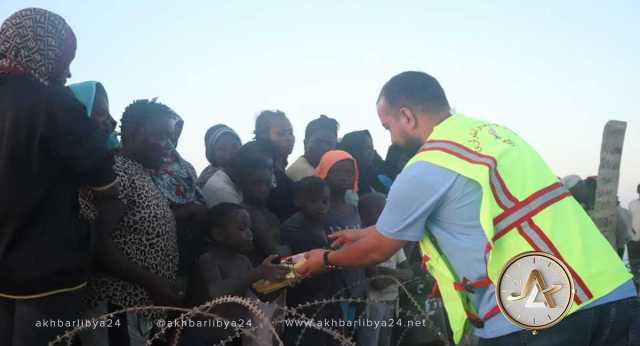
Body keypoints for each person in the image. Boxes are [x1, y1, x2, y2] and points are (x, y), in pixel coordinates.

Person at [298, 71, 638, 346]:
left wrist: (324, 260)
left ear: (406, 116)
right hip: (609, 289)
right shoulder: (499, 136)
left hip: (538, 309)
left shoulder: (427, 164)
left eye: (388, 127)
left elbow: (379, 250)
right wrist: (363, 232)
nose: (390, 139)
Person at [0, 8, 119, 346]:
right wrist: (92, 237)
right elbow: (105, 183)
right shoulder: (54, 102)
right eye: (63, 59)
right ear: (41, 50)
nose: (68, 72)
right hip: (50, 271)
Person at [86, 99, 182, 345]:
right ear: (129, 133)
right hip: (117, 306)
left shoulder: (142, 173)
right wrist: (152, 281)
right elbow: (97, 241)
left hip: (142, 309)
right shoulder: (117, 172)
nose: (168, 145)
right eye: (159, 136)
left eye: (171, 138)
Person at [183, 203, 288, 346]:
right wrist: (257, 272)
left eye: (250, 227)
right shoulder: (209, 260)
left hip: (233, 336)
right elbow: (215, 293)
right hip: (204, 337)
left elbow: (260, 295)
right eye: (242, 228)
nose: (250, 233)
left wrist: (284, 282)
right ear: (218, 234)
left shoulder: (243, 261)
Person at [281, 177, 343, 346]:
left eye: (325, 201)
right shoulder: (292, 228)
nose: (321, 206)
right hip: (304, 299)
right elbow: (288, 267)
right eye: (314, 201)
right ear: (298, 201)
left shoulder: (327, 224)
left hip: (329, 297)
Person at [313, 150, 368, 343]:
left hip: (357, 283)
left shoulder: (353, 209)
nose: (345, 177)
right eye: (338, 172)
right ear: (325, 172)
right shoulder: (320, 212)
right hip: (333, 285)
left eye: (349, 172)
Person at [148, 112, 207, 278]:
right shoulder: (141, 167)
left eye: (173, 135)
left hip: (192, 244)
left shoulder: (185, 168)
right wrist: (185, 212)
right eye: (161, 135)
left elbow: (200, 202)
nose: (168, 141)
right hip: (156, 249)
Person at [358, 193, 412, 346]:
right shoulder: (362, 243)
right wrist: (396, 276)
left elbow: (409, 273)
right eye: (379, 211)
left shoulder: (391, 241)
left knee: (385, 342)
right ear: (364, 216)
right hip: (371, 304)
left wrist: (386, 273)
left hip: (390, 301)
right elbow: (378, 283)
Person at [254, 110, 298, 220]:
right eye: (280, 134)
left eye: (290, 133)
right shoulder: (260, 169)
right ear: (262, 135)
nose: (288, 138)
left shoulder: (280, 166)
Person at [287, 115, 339, 182]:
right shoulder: (303, 172)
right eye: (318, 142)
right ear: (305, 143)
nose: (324, 147)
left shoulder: (325, 170)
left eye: (329, 143)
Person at [197, 124, 241, 189]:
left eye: (234, 147)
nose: (229, 153)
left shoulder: (248, 171)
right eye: (221, 149)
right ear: (212, 154)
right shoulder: (209, 180)